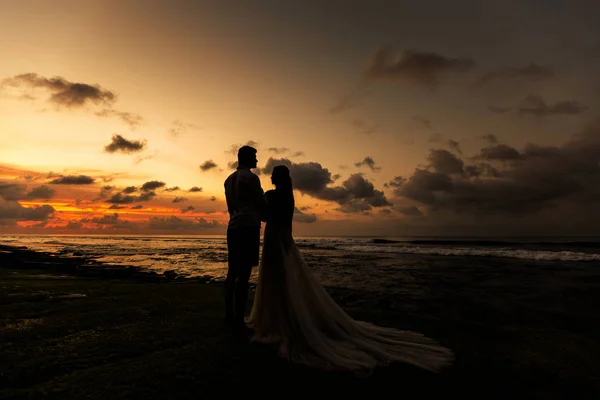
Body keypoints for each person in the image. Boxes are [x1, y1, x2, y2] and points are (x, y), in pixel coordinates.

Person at [246, 165, 454, 374]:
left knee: (277, 280)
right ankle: (280, 318)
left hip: (276, 241)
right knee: (283, 281)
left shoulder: (273, 196)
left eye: (273, 175)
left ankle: (279, 321)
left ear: (275, 178)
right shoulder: (288, 197)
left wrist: (258, 200)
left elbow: (266, 217)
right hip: (283, 241)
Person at [224, 145, 267, 334]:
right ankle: (240, 318)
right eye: (255, 157)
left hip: (233, 226)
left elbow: (230, 207)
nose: (257, 160)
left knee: (232, 271)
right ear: (246, 158)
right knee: (244, 274)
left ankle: (229, 315)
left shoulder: (228, 180)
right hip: (248, 226)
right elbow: (261, 202)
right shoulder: (251, 178)